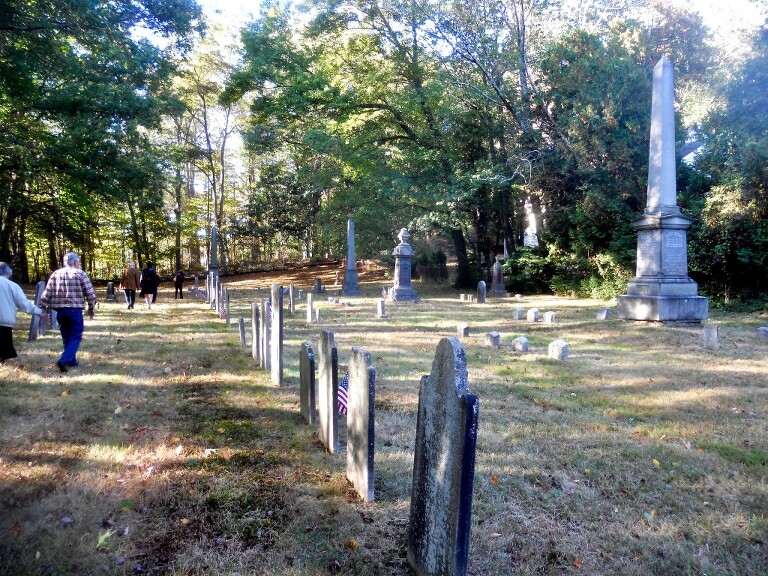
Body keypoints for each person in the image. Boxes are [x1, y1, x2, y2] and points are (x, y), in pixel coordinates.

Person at [39, 252, 97, 372]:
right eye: (78, 262)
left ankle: (71, 361)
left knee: (66, 336)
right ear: (75, 262)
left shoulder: (55, 274)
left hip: (60, 311)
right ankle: (64, 360)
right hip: (75, 310)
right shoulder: (80, 273)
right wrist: (91, 308)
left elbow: (47, 292)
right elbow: (90, 294)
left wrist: (42, 306)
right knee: (76, 336)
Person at [0, 262, 45, 363]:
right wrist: (38, 311)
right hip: (3, 322)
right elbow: (23, 303)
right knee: (3, 349)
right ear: (9, 273)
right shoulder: (12, 286)